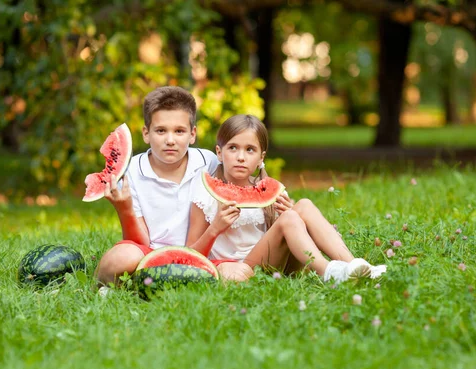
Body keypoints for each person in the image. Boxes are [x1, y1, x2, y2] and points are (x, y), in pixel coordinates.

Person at [186, 114, 387, 283]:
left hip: (278, 262)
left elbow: (280, 232)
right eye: (233, 148)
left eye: (250, 150)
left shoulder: (268, 189)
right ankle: (329, 273)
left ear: (261, 158)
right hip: (240, 267)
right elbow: (190, 255)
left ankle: (355, 265)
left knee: (304, 206)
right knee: (290, 218)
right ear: (219, 153)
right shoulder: (205, 194)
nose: (241, 157)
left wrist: (284, 214)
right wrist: (215, 228)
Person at [96, 87, 254, 286]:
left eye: (179, 131)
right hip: (149, 255)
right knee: (118, 260)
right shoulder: (132, 172)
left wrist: (275, 199)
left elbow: (244, 183)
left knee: (239, 274)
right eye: (161, 131)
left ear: (192, 134)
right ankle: (125, 285)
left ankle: (144, 286)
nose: (170, 140)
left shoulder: (209, 162)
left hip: (202, 255)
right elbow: (139, 242)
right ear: (146, 133)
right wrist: (124, 209)